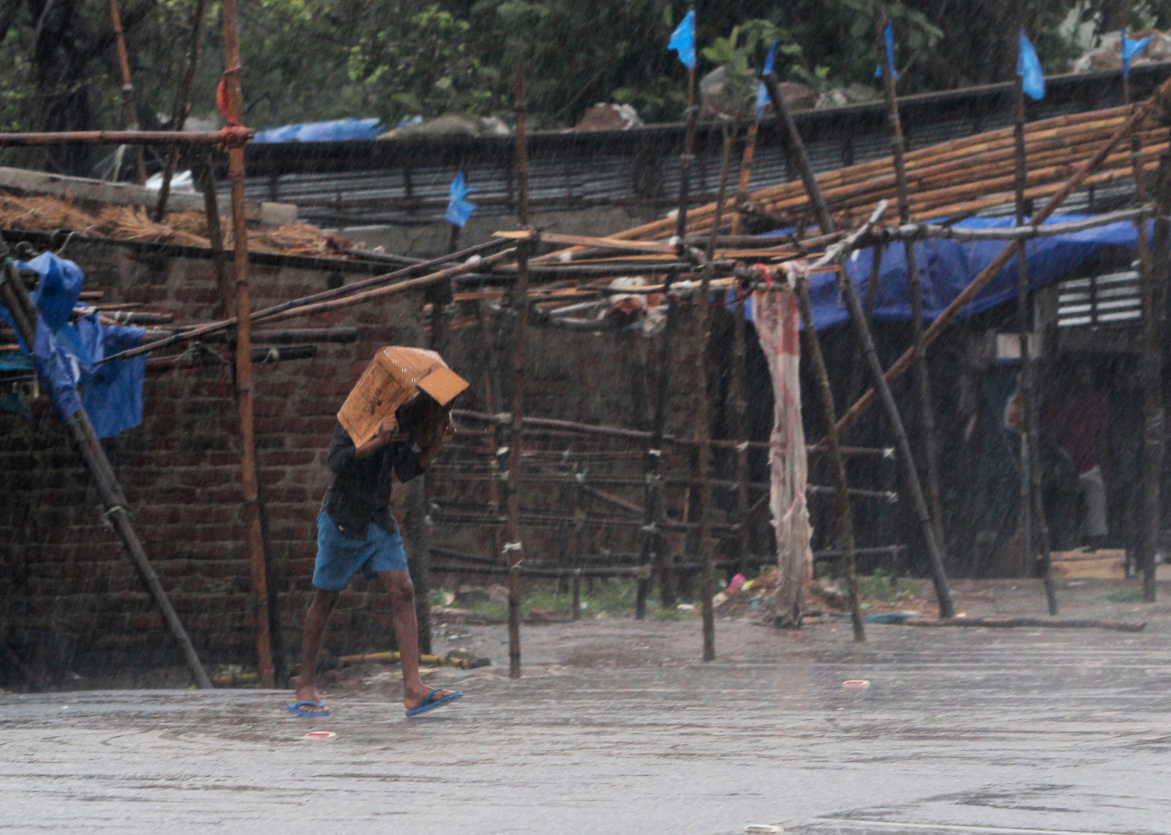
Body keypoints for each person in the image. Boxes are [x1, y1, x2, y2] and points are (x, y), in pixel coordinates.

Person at [288, 405, 460, 718]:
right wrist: (378, 440)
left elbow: (406, 470)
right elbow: (337, 460)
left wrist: (436, 440)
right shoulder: (355, 412)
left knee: (403, 590)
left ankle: (413, 688)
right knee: (326, 598)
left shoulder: (404, 417)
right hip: (343, 518)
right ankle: (305, 683)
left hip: (379, 520)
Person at [1043, 363, 1110, 548]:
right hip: (1065, 470)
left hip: (1090, 467)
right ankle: (1067, 553)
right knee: (1065, 518)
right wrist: (1064, 466)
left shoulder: (1098, 402)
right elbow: (1052, 441)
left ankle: (1096, 557)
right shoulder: (1057, 405)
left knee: (1097, 521)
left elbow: (1102, 439)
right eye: (1078, 375)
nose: (1082, 380)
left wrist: (1106, 472)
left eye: (1086, 375)